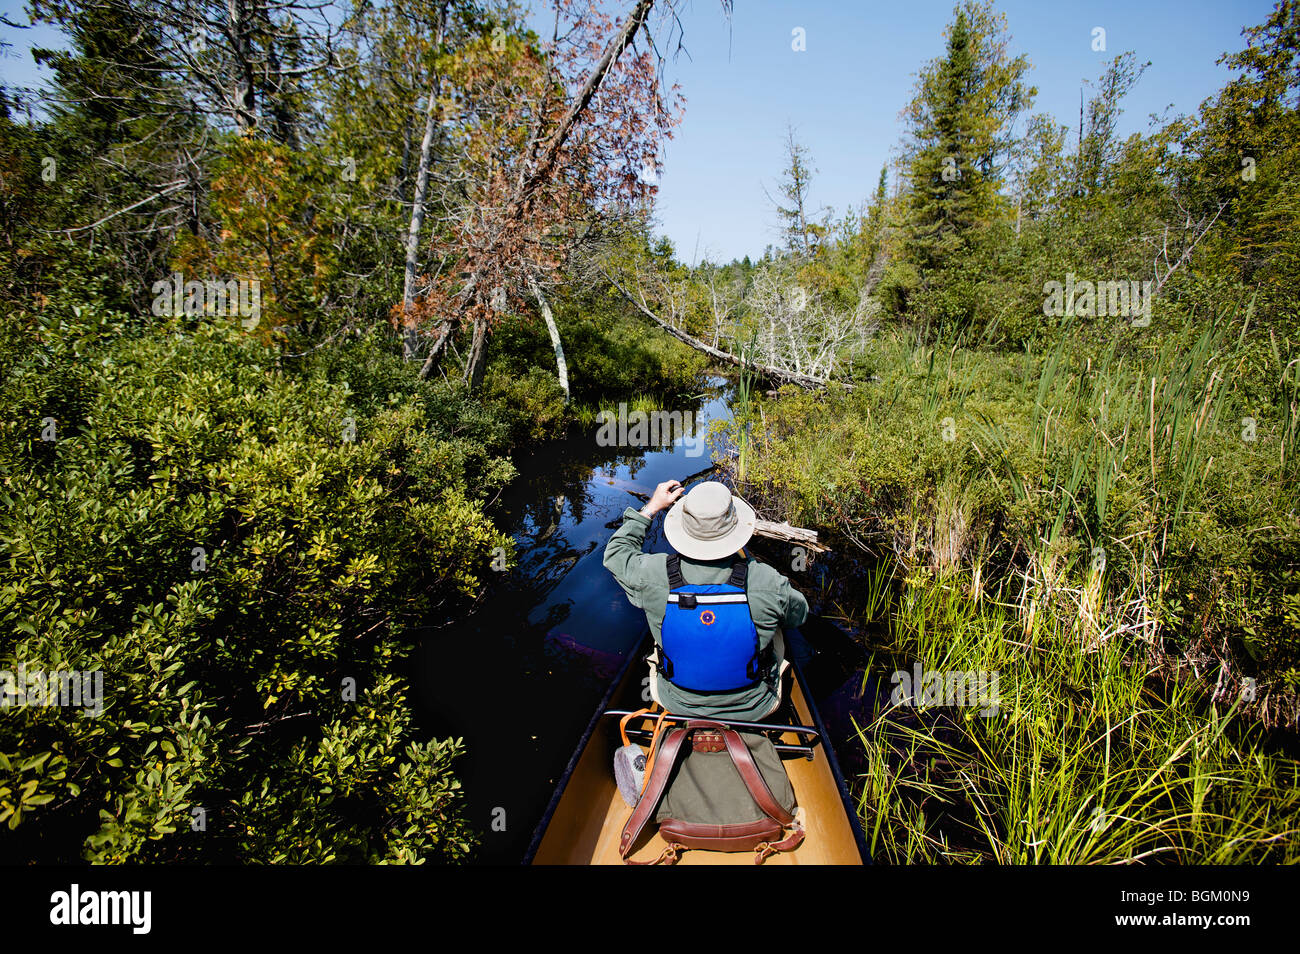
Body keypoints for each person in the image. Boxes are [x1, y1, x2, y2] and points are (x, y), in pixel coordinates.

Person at [603, 479, 809, 721]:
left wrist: (651, 507)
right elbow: (799, 614)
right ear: (735, 528)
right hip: (754, 706)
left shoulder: (652, 572)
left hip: (676, 701)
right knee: (777, 625)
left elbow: (616, 553)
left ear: (684, 527)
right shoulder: (766, 579)